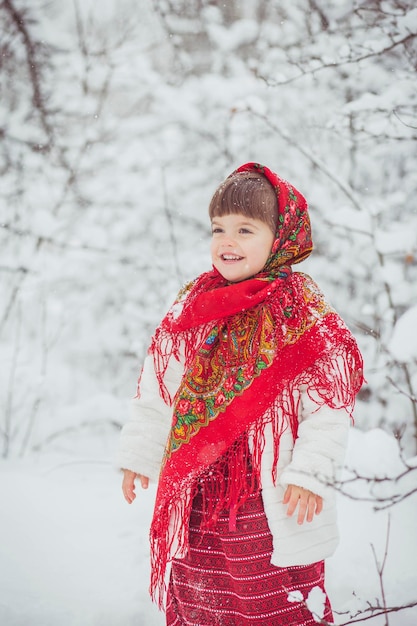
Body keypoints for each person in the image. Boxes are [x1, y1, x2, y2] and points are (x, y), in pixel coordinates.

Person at [117, 162, 364, 625]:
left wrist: (310, 473)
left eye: (245, 229)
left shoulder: (301, 312)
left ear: (280, 238)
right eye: (218, 228)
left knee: (271, 598)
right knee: (202, 592)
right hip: (200, 489)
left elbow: (328, 408)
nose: (227, 242)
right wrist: (139, 453)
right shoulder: (195, 306)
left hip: (268, 492)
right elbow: (158, 387)